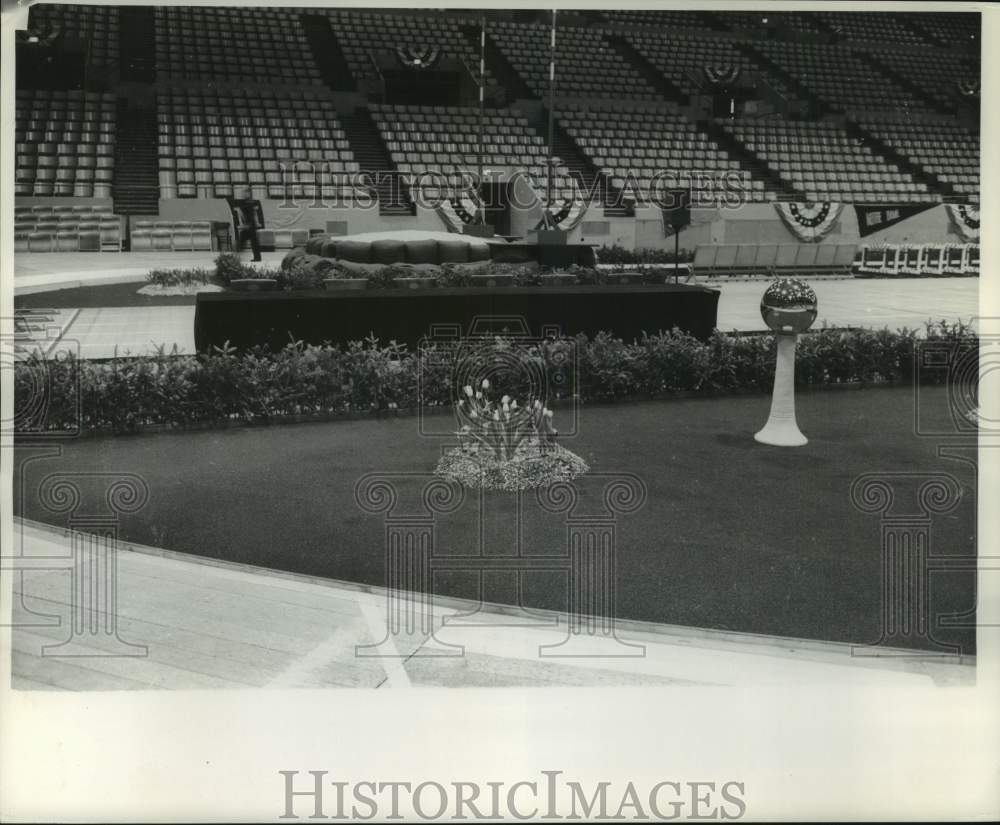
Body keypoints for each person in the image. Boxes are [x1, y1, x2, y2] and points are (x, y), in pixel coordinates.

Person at [226, 189, 264, 262]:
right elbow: (244, 214)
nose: (245, 194)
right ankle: (238, 256)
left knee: (253, 242)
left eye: (247, 193)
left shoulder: (250, 202)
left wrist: (248, 224)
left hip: (250, 225)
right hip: (248, 225)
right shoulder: (246, 202)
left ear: (249, 194)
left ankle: (257, 258)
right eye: (245, 193)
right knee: (243, 242)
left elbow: (251, 215)